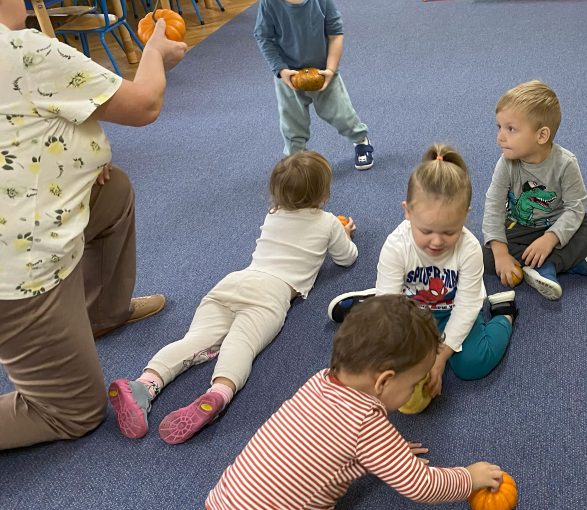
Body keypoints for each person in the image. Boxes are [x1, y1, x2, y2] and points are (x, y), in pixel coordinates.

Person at [0, 0, 186, 450]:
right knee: (75, 411)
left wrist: (80, 157)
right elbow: (143, 105)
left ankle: (102, 314)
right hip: (20, 273)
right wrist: (156, 53)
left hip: (28, 235)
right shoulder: (22, 50)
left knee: (112, 190)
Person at [107, 151, 358, 444]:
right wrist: (345, 234)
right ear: (325, 193)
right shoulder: (328, 222)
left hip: (232, 283)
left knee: (194, 340)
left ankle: (143, 384)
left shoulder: (273, 214)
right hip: (271, 294)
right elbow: (346, 259)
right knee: (241, 344)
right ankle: (218, 393)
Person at [206, 294, 504, 509]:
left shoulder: (319, 380)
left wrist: (389, 453)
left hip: (224, 499)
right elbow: (422, 485)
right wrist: (469, 478)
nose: (416, 389)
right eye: (413, 383)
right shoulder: (366, 426)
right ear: (384, 381)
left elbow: (323, 443)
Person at [327, 144, 516, 414]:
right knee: (383, 361)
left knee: (473, 364)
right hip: (408, 312)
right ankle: (373, 299)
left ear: (465, 216)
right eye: (426, 230)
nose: (437, 242)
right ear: (407, 211)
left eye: (450, 232)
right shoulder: (396, 245)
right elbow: (393, 312)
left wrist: (439, 359)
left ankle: (504, 314)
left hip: (453, 311)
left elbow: (466, 305)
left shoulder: (470, 248)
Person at [483, 80, 587, 301]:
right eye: (499, 127)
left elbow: (575, 208)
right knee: (484, 257)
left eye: (510, 129)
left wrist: (550, 239)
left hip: (555, 227)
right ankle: (567, 261)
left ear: (541, 135)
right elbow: (493, 207)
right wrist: (501, 253)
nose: (500, 136)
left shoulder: (566, 163)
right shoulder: (506, 163)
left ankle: (548, 263)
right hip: (518, 228)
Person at [254, 0, 375, 170]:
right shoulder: (269, 3)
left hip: (322, 71)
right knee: (292, 123)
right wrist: (280, 70)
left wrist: (331, 70)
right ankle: (296, 158)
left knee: (342, 114)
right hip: (289, 76)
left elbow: (335, 34)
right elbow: (263, 37)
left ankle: (360, 140)